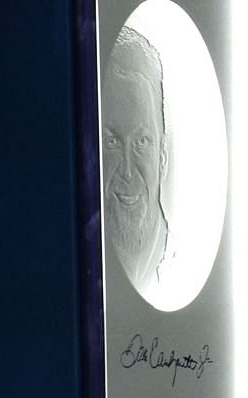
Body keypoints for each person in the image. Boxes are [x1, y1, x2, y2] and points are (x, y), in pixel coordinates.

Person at [101, 26, 171, 298]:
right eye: (112, 142)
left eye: (142, 142)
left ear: (162, 155)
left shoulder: (181, 271)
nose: (128, 172)